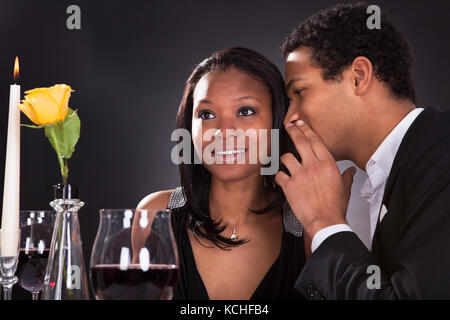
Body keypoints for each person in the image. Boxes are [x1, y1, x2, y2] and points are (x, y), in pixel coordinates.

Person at [277, 2, 450, 299]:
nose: (290, 117)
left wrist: (325, 222)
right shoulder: (411, 161)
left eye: (300, 92)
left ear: (358, 76)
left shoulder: (442, 157)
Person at [137, 47, 306, 300]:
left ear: (277, 118)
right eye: (207, 114)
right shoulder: (153, 216)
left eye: (245, 111)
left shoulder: (307, 225)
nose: (224, 132)